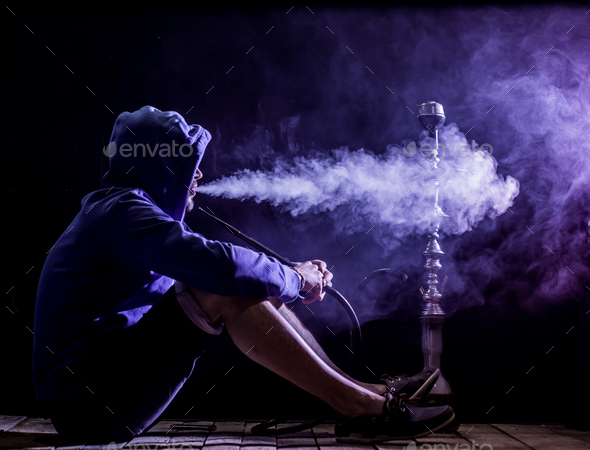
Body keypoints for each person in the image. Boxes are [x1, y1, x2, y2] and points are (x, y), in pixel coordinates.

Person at [32, 106, 455, 444]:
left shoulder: (126, 212)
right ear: (158, 163)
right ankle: (356, 404)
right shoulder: (122, 212)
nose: (198, 174)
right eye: (188, 163)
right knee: (224, 286)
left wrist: (286, 278)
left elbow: (235, 270)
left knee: (244, 283)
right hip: (87, 408)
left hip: (100, 398)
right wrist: (296, 277)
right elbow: (225, 268)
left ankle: (366, 395)